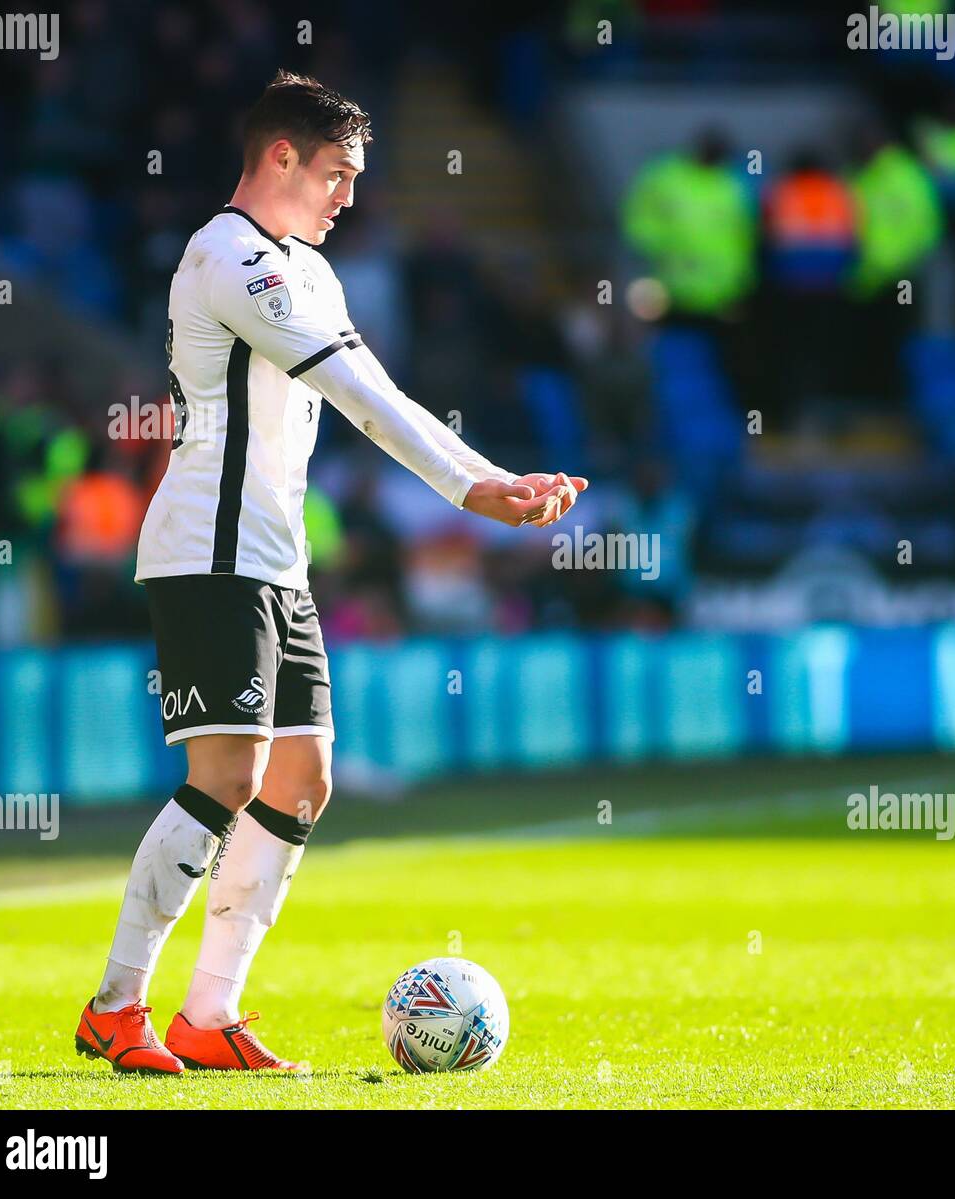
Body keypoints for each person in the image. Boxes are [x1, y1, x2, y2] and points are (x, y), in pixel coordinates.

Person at [74, 71, 587, 1075]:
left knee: (301, 782)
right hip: (207, 550)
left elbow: (375, 382)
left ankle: (208, 1014)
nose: (348, 196)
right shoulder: (226, 256)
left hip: (276, 557)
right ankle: (115, 1003)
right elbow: (351, 391)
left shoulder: (309, 268)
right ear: (280, 158)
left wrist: (488, 476)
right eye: (337, 173)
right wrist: (470, 489)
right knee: (226, 773)